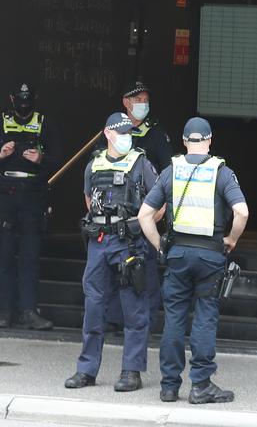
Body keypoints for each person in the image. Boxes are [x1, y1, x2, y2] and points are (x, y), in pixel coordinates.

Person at [138, 117, 248, 405]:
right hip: (210, 255)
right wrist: (232, 239)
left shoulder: (171, 170)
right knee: (204, 317)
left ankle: (169, 386)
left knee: (174, 318)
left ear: (185, 141)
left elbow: (144, 215)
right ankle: (200, 385)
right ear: (210, 141)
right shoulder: (221, 172)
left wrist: (158, 246)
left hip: (177, 255)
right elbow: (242, 212)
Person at [64, 112, 160, 393]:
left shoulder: (141, 162)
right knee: (93, 306)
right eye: (122, 132)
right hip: (99, 242)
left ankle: (131, 371)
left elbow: (159, 202)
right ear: (108, 133)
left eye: (129, 131)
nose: (127, 136)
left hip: (128, 242)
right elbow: (88, 200)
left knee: (134, 308)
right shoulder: (94, 164)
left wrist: (141, 225)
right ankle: (86, 370)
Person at [0, 82, 58, 330]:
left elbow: (59, 160)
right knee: (4, 255)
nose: (23, 105)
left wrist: (41, 159)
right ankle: (4, 311)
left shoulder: (45, 124)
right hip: (4, 194)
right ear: (12, 99)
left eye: (28, 100)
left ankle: (29, 311)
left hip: (33, 195)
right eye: (20, 100)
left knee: (30, 256)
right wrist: (0, 155)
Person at [104, 79, 171, 330]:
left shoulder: (155, 133)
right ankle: (114, 319)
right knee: (115, 267)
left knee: (146, 268)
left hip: (145, 212)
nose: (143, 104)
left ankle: (146, 320)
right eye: (137, 100)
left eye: (145, 100)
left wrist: (161, 209)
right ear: (125, 103)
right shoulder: (114, 132)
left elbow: (166, 173)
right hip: (116, 212)